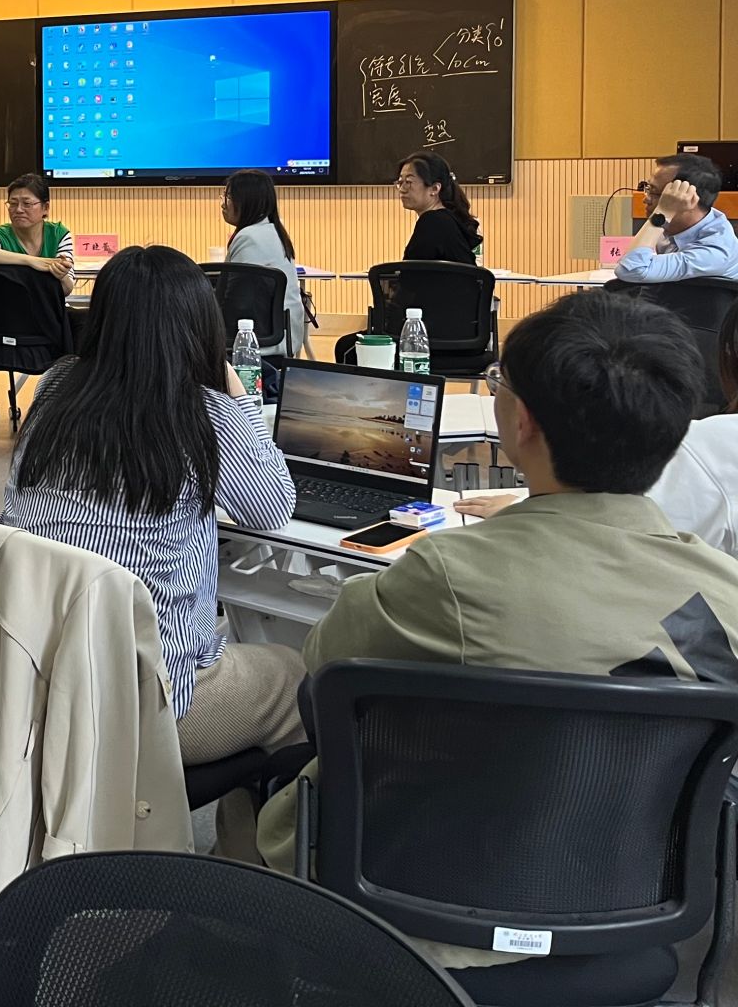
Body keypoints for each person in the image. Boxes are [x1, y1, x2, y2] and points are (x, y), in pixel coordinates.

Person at [257, 290, 738, 978]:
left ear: (521, 421)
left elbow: (323, 664)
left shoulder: (444, 576)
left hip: (415, 912)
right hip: (628, 906)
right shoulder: (725, 594)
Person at [4, 247, 299, 786]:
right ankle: (253, 841)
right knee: (298, 676)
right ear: (199, 326)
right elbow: (274, 506)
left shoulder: (56, 386)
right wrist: (239, 395)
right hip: (149, 702)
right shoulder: (204, 409)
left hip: (33, 685)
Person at [456, 298, 738, 555]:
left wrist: (523, 515)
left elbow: (623, 537)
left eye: (500, 380)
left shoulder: (710, 445)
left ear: (523, 418)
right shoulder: (719, 582)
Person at [615, 151, 738, 283]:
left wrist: (663, 212)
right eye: (648, 188)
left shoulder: (714, 253)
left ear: (688, 199)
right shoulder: (679, 224)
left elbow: (630, 270)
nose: (646, 199)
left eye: (655, 192)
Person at [221, 169, 307, 358]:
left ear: (246, 201)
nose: (222, 204)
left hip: (259, 343)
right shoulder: (272, 231)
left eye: (228, 197)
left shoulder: (250, 237)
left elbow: (237, 300)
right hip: (280, 337)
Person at [0, 173, 76, 293]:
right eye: (13, 203)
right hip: (10, 303)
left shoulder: (58, 234)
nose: (18, 210)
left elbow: (67, 290)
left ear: (45, 207)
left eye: (27, 204)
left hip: (48, 303)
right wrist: (32, 261)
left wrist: (62, 276)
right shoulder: (0, 234)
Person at [394, 151, 481, 263]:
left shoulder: (432, 221)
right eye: (400, 182)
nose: (402, 189)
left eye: (408, 182)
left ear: (435, 188)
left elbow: (411, 271)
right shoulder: (446, 219)